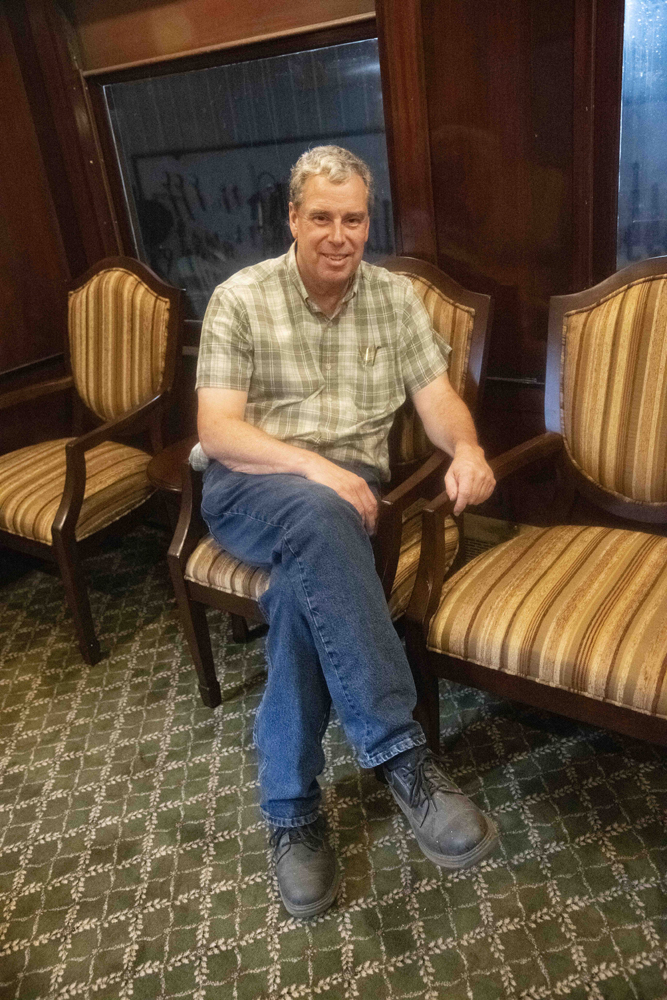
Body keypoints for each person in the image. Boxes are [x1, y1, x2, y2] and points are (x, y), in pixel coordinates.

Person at [191, 146, 497, 919]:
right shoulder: (242, 297)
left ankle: (289, 811)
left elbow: (437, 402)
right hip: (250, 486)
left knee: (304, 591)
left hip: (349, 505)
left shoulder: (393, 300)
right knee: (322, 515)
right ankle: (401, 757)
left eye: (353, 218)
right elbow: (218, 431)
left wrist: (465, 448)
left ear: (368, 220)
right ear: (292, 219)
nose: (338, 234)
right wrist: (315, 470)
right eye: (320, 217)